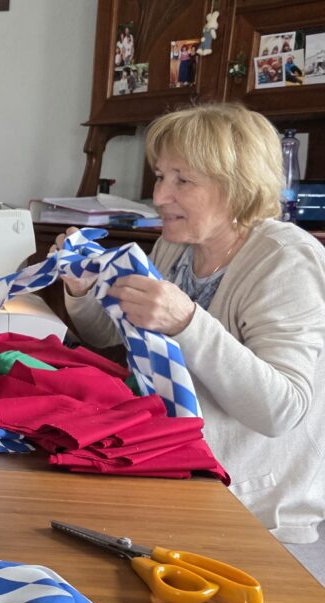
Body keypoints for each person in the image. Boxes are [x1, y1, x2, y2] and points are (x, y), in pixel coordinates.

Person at [57, 103, 325, 545]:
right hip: (179, 466)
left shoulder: (285, 259)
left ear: (237, 187)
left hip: (255, 508)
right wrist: (83, 291)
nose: (160, 196)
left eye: (182, 180)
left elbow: (281, 411)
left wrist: (187, 322)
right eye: (161, 177)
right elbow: (112, 337)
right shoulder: (174, 246)